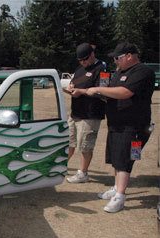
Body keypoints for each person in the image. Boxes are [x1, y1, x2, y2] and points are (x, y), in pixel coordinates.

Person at [81, 41, 155, 213]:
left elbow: (125, 92)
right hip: (116, 124)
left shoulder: (143, 72)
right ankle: (116, 187)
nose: (115, 61)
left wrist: (98, 89)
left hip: (134, 126)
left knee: (125, 159)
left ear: (129, 56)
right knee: (116, 157)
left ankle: (120, 196)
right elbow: (112, 92)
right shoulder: (119, 72)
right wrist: (97, 93)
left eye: (117, 58)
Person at [65, 43, 106, 183]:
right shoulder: (79, 69)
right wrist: (71, 86)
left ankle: (83, 173)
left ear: (92, 54)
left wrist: (81, 92)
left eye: (85, 59)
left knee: (85, 146)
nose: (83, 62)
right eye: (80, 60)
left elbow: (103, 91)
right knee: (69, 142)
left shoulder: (102, 69)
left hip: (90, 115)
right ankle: (61, 167)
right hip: (75, 113)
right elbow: (73, 82)